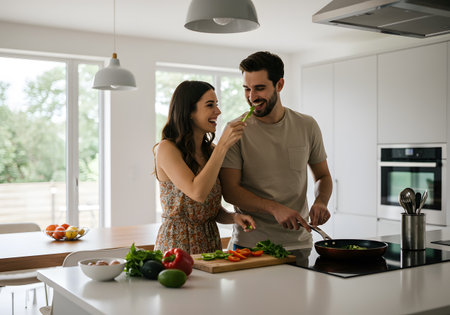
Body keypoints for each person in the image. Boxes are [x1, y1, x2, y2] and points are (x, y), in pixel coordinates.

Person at [220, 51, 333, 250]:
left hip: (299, 244)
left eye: (260, 88)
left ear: (279, 85)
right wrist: (274, 208)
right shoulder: (235, 130)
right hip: (250, 245)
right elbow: (230, 191)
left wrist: (321, 201)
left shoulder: (307, 125)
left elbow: (323, 176)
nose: (252, 97)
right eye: (247, 89)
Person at [153, 80, 256, 255]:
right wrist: (223, 145)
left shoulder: (211, 151)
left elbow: (206, 209)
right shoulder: (166, 149)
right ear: (189, 112)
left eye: (217, 104)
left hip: (209, 244)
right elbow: (197, 192)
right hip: (176, 246)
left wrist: (233, 217)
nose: (218, 111)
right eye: (210, 105)